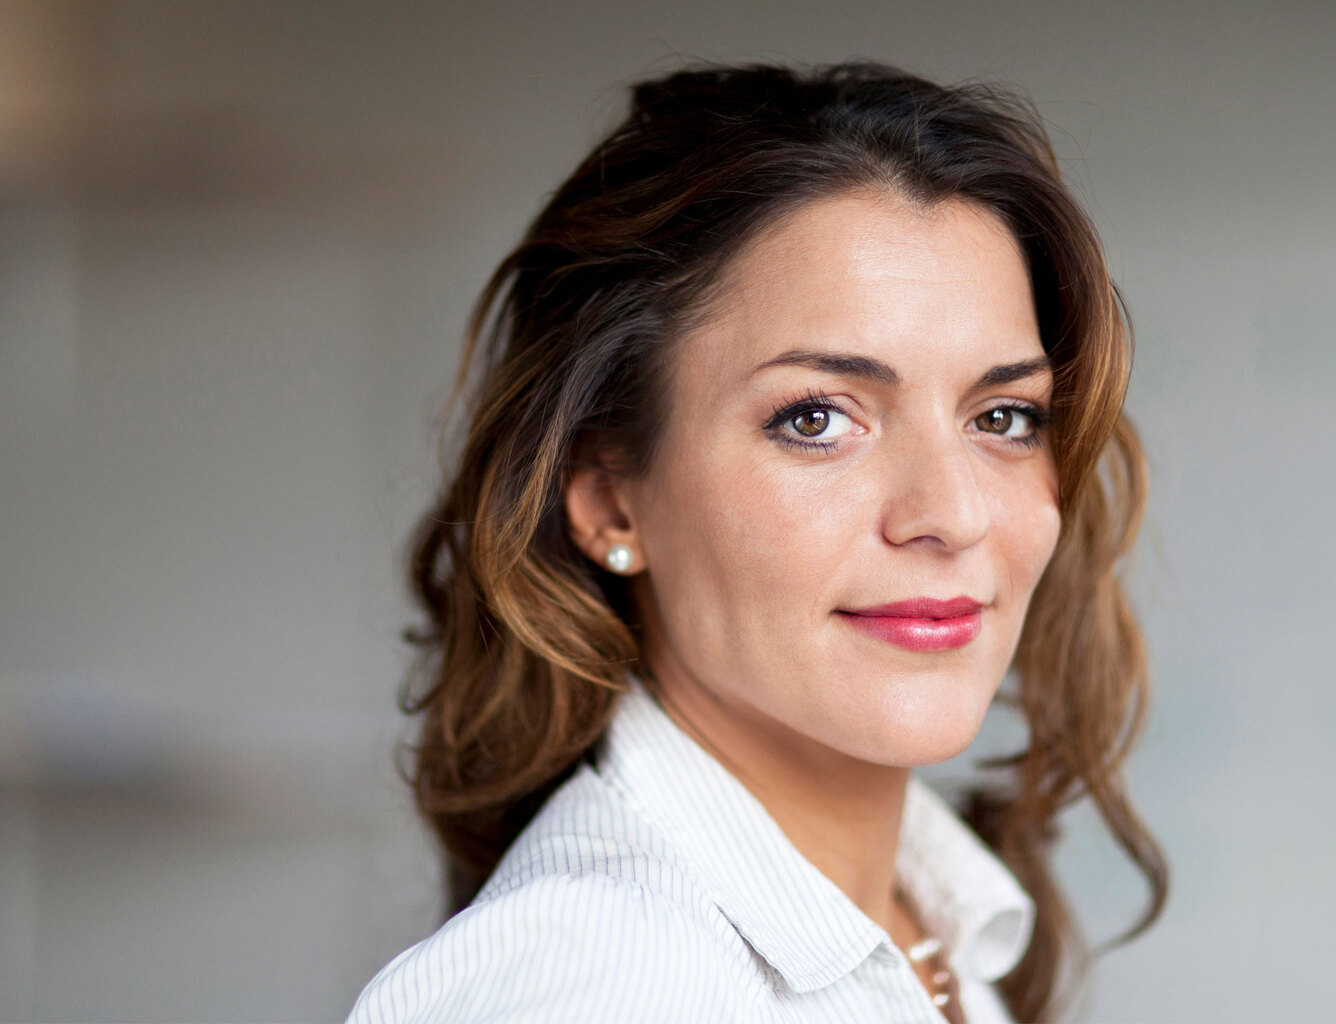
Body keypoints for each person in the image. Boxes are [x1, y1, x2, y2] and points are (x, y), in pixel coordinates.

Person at [347, 61, 1166, 1024]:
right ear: (610, 497)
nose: (951, 514)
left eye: (1002, 417)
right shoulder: (594, 984)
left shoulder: (932, 919)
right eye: (818, 418)